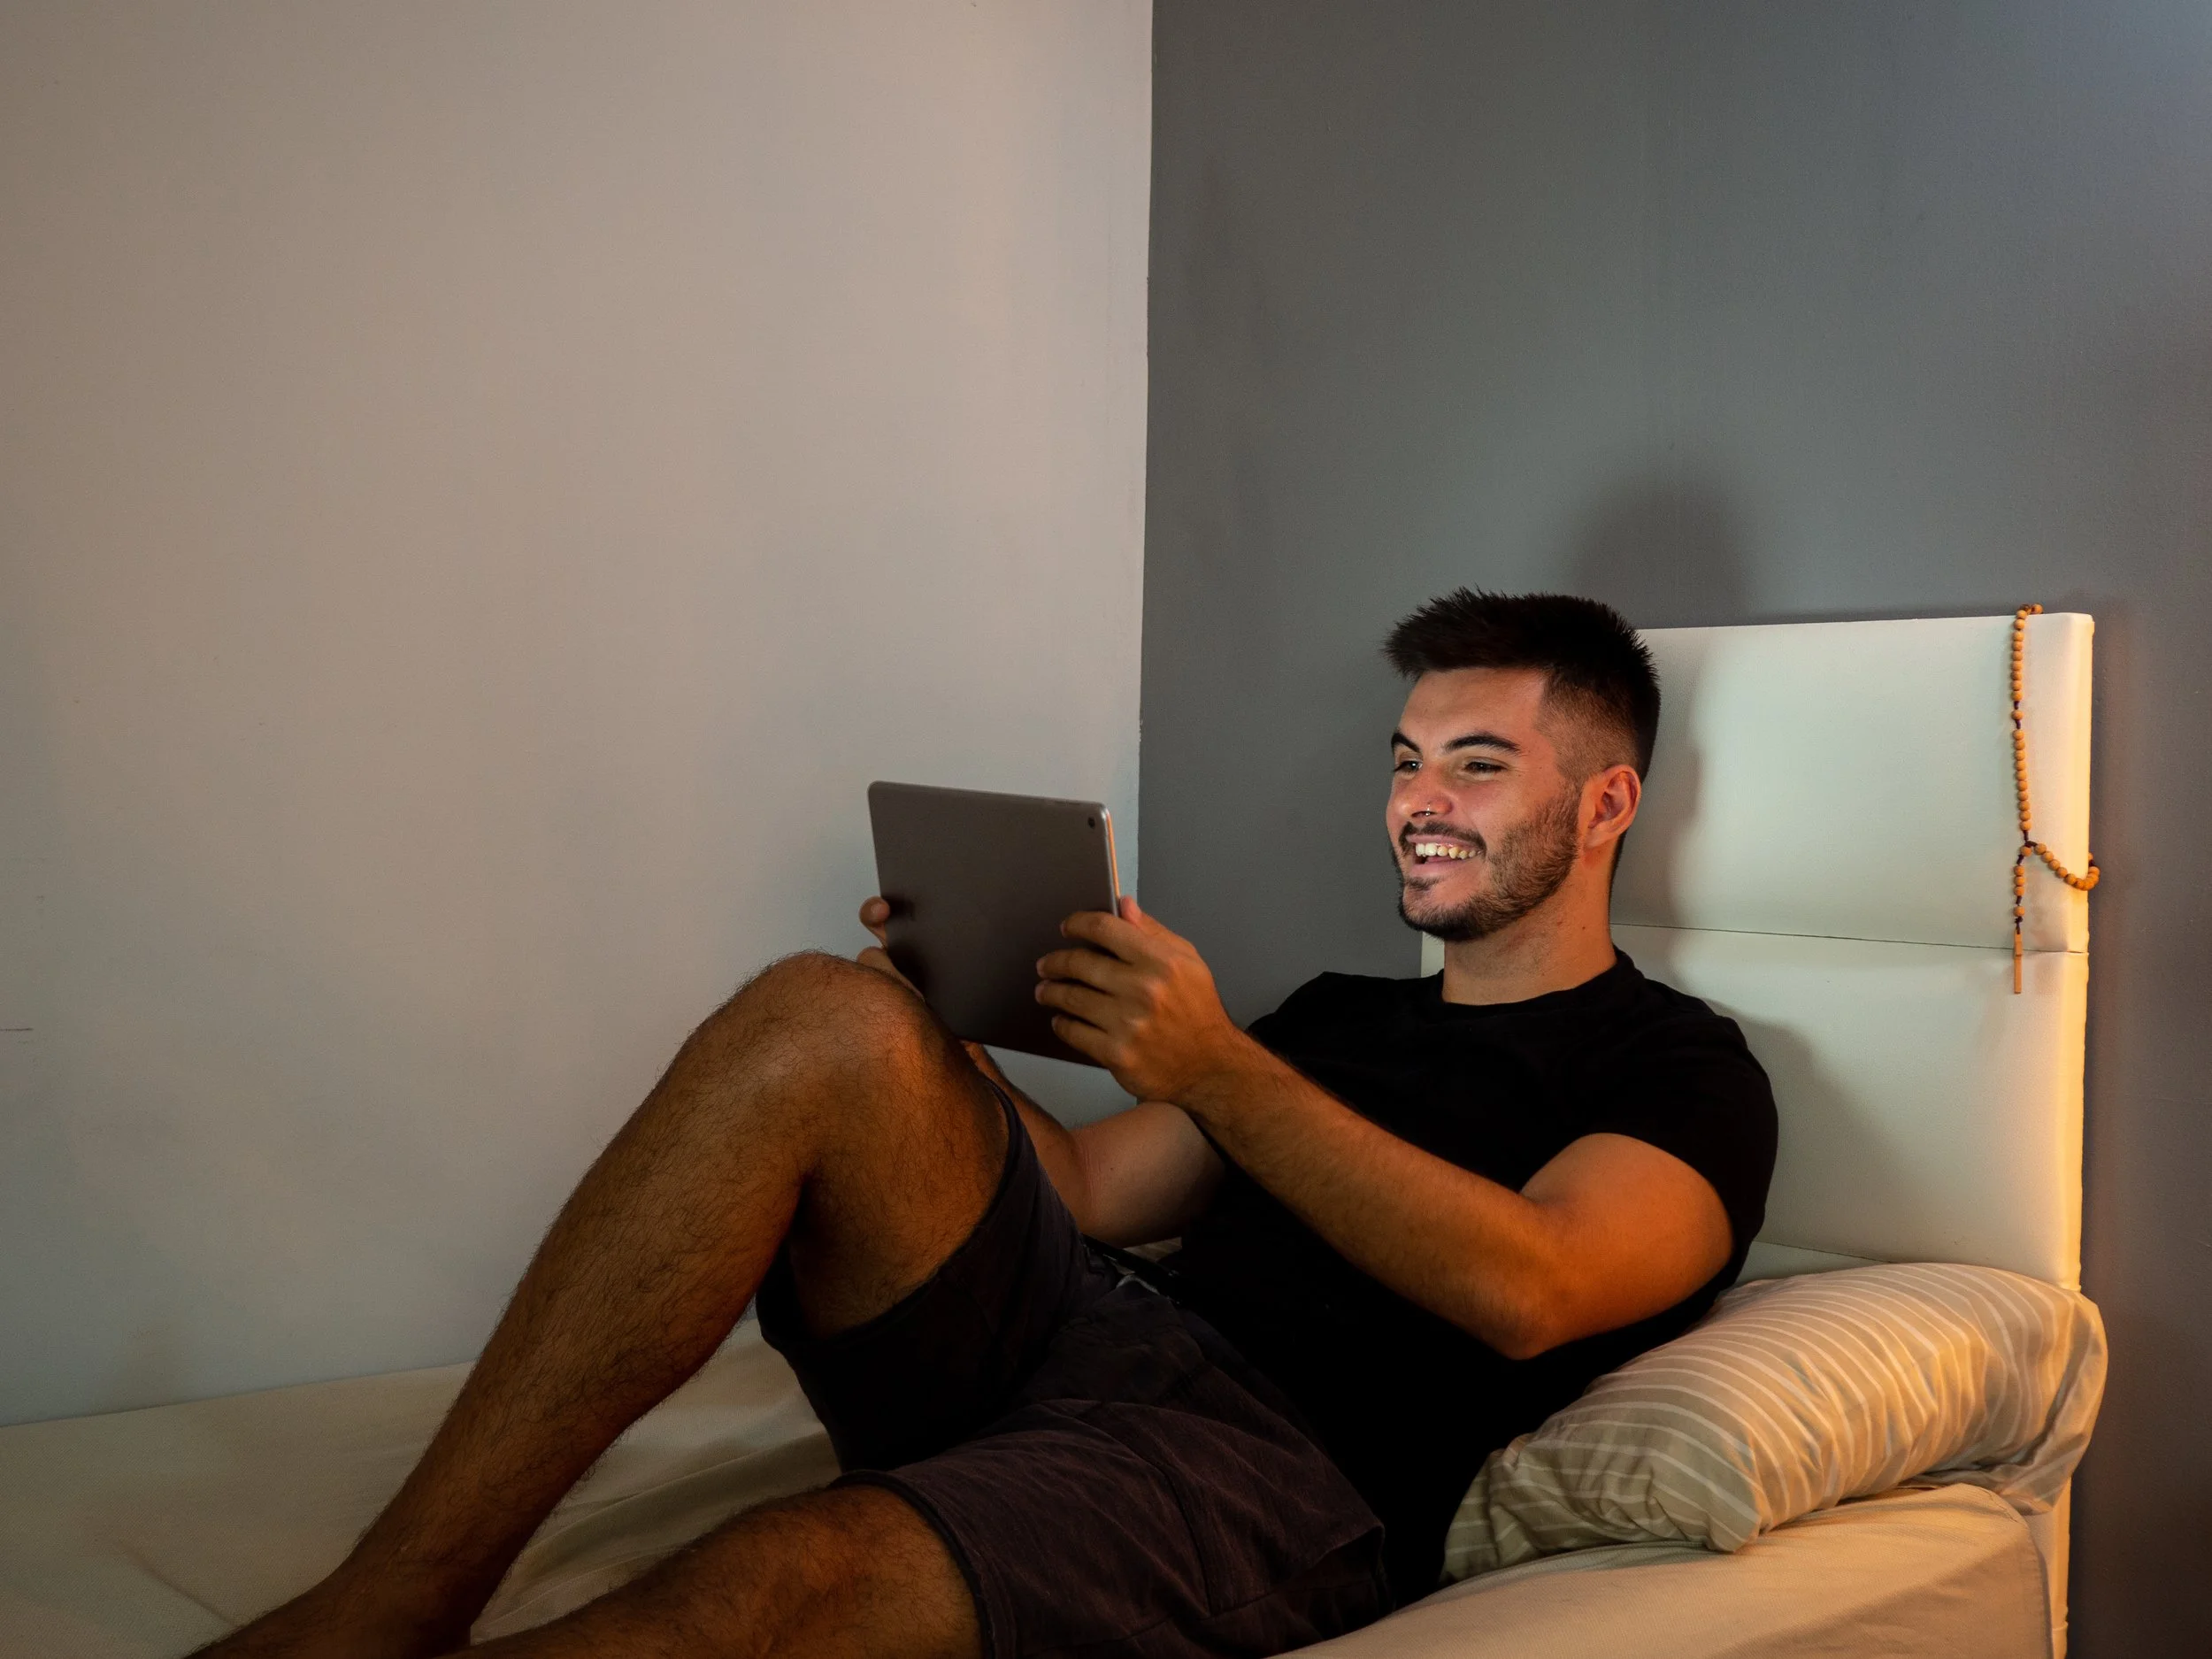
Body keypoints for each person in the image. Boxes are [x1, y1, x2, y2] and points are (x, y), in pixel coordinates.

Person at [199, 590, 1776, 1659]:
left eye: (1478, 767)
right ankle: (394, 1594)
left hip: (1281, 1474)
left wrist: (1218, 1065)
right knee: (826, 1014)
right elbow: (1082, 1188)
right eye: (1408, 761)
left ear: (1606, 804)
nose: (1420, 800)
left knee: (777, 1577)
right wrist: (938, 1022)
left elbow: (1531, 1285)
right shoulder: (1336, 1015)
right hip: (1095, 1331)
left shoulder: (1680, 1067)